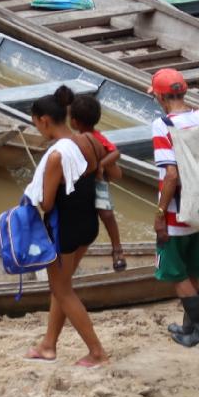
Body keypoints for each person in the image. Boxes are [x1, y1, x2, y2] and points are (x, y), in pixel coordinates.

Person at [22, 87, 108, 368]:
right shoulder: (88, 142)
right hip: (87, 225)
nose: (38, 129)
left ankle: (96, 352)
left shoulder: (57, 155)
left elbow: (46, 204)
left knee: (62, 291)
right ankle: (48, 345)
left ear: (44, 120)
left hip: (64, 231)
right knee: (61, 288)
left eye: (36, 123)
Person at [150, 67, 199, 348]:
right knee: (194, 267)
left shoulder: (162, 124)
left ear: (160, 96)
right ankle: (193, 327)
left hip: (177, 210)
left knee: (173, 271)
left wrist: (159, 214)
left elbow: (171, 174)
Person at [67, 93, 127, 271]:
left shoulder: (96, 138)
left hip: (98, 183)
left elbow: (116, 153)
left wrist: (101, 165)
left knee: (106, 214)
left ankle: (117, 249)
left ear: (75, 122)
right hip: (84, 186)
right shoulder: (77, 140)